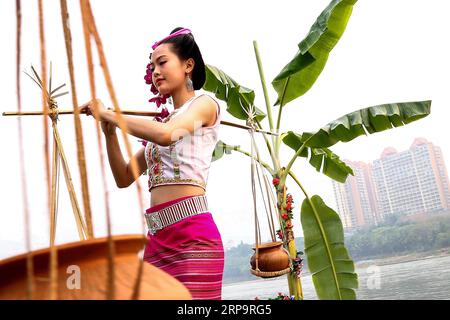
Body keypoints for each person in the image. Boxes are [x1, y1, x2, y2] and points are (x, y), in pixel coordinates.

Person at [79, 27, 225, 300]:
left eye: (162, 62)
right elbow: (124, 177)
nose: (156, 71)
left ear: (188, 65)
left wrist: (111, 115)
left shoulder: (204, 105)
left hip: (193, 238)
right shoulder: (165, 122)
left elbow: (168, 136)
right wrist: (109, 131)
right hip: (158, 240)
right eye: (152, 66)